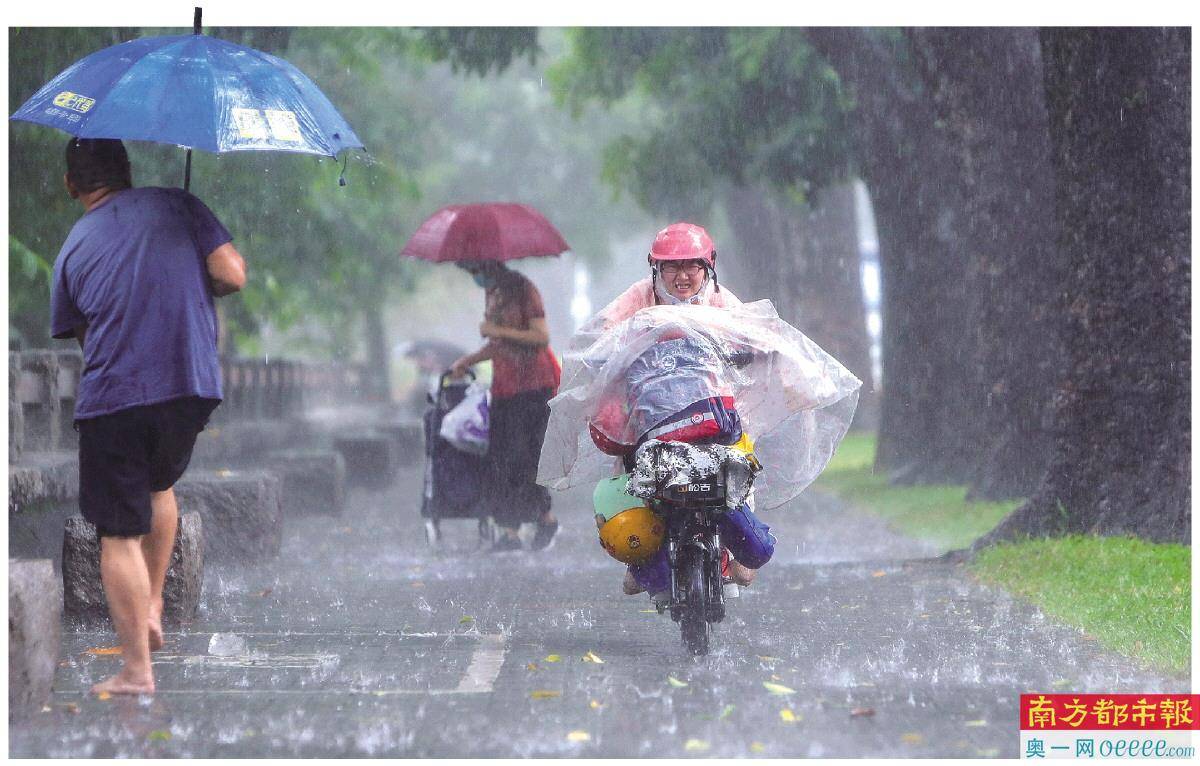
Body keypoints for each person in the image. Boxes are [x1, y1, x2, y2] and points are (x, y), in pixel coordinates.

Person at [50, 138, 246, 695]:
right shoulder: (177, 204)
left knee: (116, 532)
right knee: (159, 483)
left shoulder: (72, 248)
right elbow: (232, 274)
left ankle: (136, 669)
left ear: (72, 185)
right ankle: (154, 604)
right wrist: (188, 274)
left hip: (118, 396)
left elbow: (89, 339)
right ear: (127, 173)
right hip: (191, 386)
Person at [588, 222, 774, 598]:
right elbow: (602, 336)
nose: (683, 276)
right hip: (651, 416)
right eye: (672, 267)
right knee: (633, 467)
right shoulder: (638, 298)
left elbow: (756, 336)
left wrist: (755, 349)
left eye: (693, 266)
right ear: (654, 268)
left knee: (738, 463)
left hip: (714, 415)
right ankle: (639, 558)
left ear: (709, 266)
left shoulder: (722, 301)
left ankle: (738, 547)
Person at [450, 260, 561, 552]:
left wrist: (497, 330)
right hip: (505, 386)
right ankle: (510, 531)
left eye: (476, 270)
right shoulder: (494, 293)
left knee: (528, 459)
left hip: (534, 386)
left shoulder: (524, 290)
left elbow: (541, 337)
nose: (475, 277)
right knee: (501, 460)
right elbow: (498, 345)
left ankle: (545, 517)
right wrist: (468, 361)